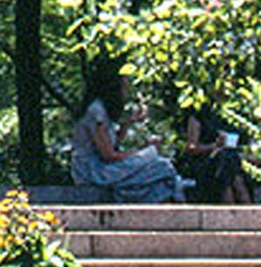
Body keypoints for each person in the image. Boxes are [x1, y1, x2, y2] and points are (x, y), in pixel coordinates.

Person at [70, 61, 188, 204]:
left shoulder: (102, 111)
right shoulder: (96, 112)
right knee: (161, 166)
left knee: (159, 172)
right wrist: (144, 153)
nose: (126, 90)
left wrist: (128, 123)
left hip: (102, 166)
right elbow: (108, 155)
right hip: (93, 171)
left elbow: (113, 143)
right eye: (124, 85)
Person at [180, 104, 252, 204]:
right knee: (224, 161)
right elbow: (192, 147)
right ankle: (240, 202)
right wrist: (214, 146)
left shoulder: (235, 115)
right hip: (207, 163)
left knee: (228, 160)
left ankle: (238, 202)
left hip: (232, 161)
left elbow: (245, 144)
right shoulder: (200, 114)